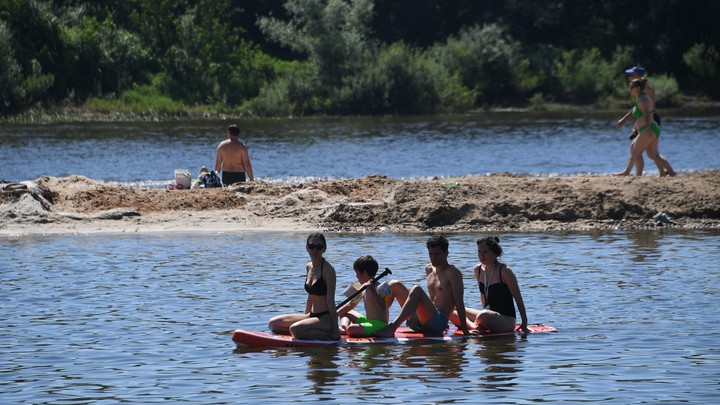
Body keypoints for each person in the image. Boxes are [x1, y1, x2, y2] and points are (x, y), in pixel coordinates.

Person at [375, 235, 470, 338]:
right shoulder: (429, 269)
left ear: (446, 253)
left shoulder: (453, 272)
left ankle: (391, 328)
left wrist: (465, 331)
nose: (433, 258)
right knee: (394, 284)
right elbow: (434, 297)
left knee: (417, 290)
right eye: (431, 254)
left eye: (437, 254)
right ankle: (379, 323)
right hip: (419, 321)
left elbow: (459, 302)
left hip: (437, 324)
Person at [268, 233, 340, 340]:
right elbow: (311, 295)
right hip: (311, 315)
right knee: (273, 324)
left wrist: (336, 330)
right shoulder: (309, 267)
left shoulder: (328, 269)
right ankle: (304, 335)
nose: (315, 250)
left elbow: (331, 300)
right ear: (307, 248)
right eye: (311, 246)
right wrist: (305, 319)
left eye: (319, 247)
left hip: (325, 318)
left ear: (324, 249)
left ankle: (326, 334)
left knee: (295, 329)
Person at [616, 67, 676, 176]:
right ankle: (668, 172)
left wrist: (647, 129)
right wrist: (628, 122)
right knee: (652, 154)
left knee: (637, 151)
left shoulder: (645, 92)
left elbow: (647, 113)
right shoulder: (640, 96)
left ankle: (638, 175)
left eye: (631, 75)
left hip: (650, 123)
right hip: (648, 124)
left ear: (638, 79)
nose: (629, 78)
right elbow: (637, 110)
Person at [337, 256, 411, 337]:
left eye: (357, 273)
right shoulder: (363, 287)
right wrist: (334, 314)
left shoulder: (380, 288)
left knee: (351, 330)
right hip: (368, 321)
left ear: (364, 273)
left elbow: (382, 307)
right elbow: (351, 305)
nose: (356, 276)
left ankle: (349, 329)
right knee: (345, 312)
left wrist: (372, 290)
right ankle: (344, 328)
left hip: (379, 325)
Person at [470, 236, 528, 334]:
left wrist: (524, 322)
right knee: (453, 310)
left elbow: (518, 297)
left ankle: (476, 326)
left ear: (495, 253)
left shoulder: (505, 271)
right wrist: (484, 315)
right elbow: (483, 294)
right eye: (479, 252)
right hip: (488, 314)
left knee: (483, 315)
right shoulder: (478, 270)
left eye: (485, 252)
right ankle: (476, 326)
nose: (481, 256)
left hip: (506, 320)